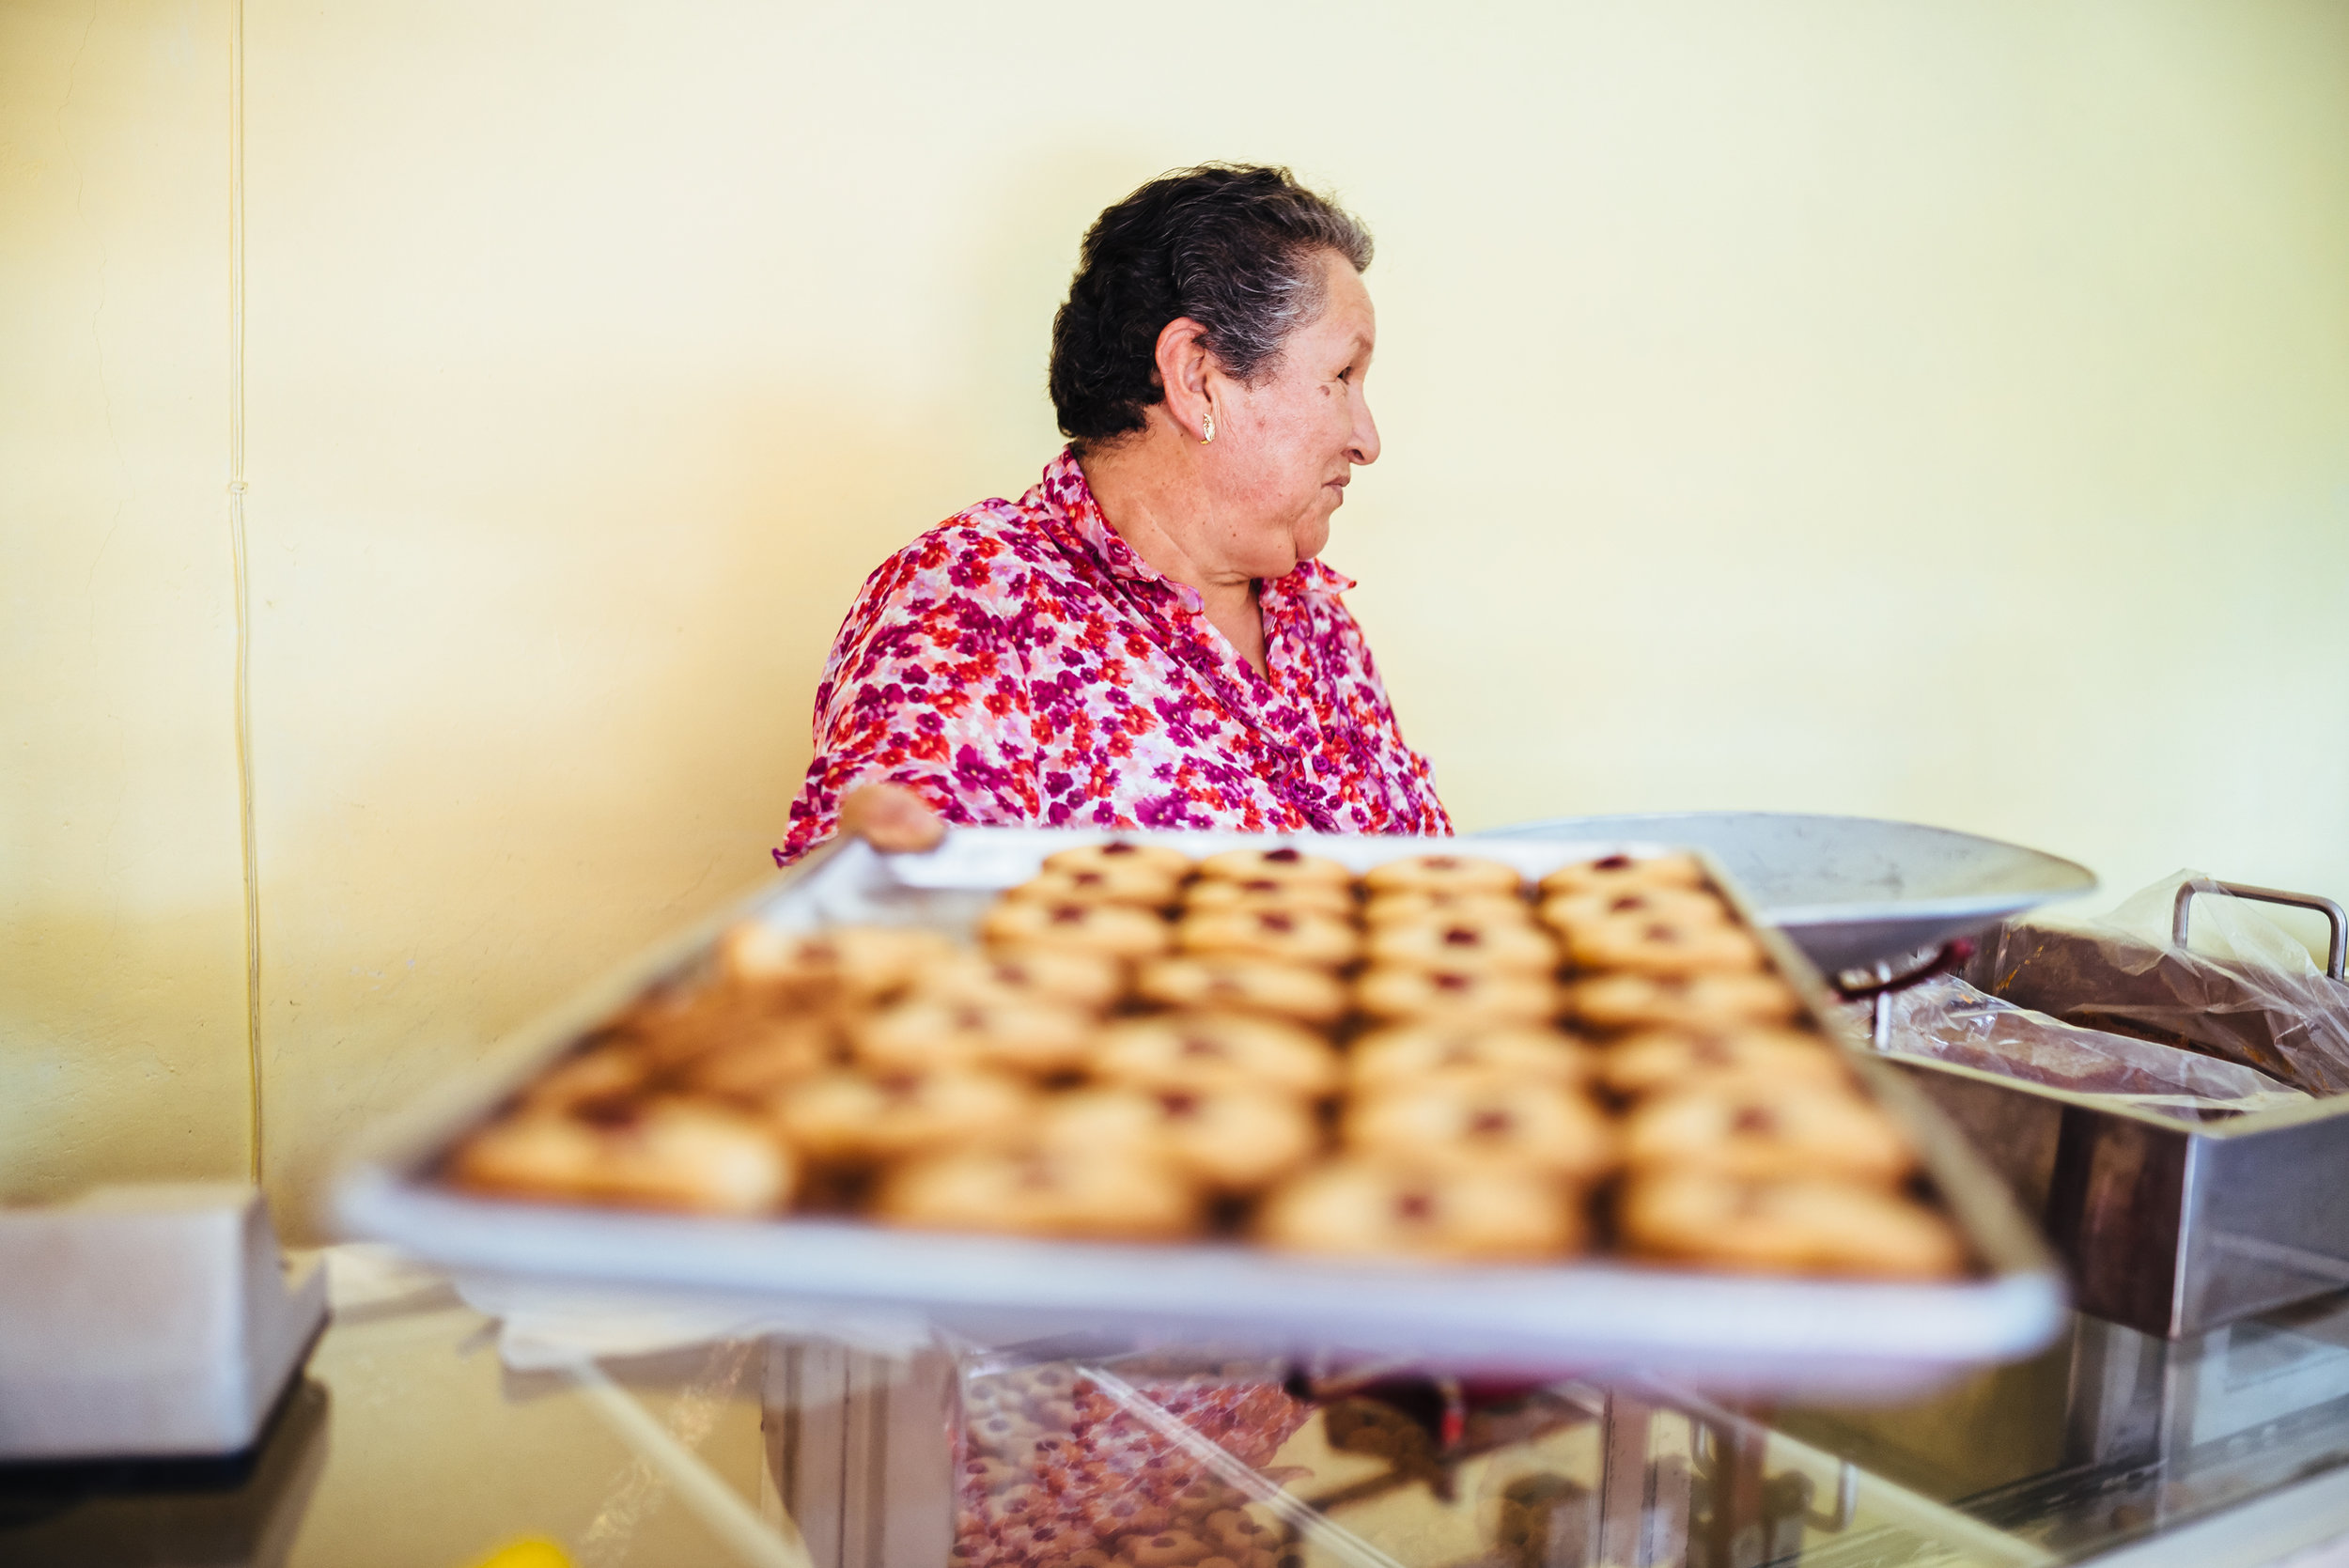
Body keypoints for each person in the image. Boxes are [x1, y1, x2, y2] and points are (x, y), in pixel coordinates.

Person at [776, 163, 1450, 863]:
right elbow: (891, 928)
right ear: (1196, 378)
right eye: (1342, 376)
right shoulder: (977, 598)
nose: (1367, 440)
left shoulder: (1320, 627)